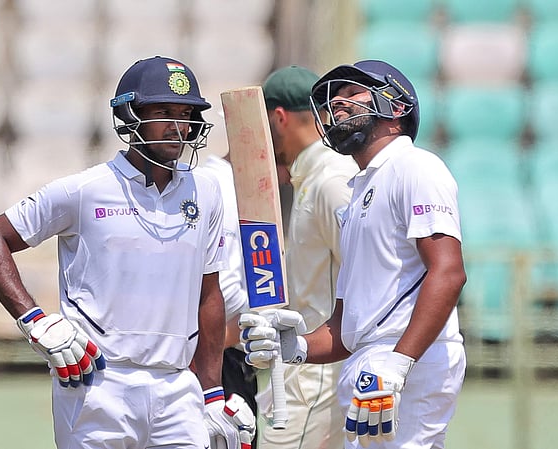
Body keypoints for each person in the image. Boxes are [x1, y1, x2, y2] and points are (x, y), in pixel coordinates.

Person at [0, 55, 246, 449]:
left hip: (177, 386)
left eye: (186, 114)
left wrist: (212, 392)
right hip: (97, 382)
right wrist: (34, 320)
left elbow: (209, 294)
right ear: (130, 116)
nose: (178, 126)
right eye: (163, 112)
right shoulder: (85, 190)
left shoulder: (207, 191)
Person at [239, 59, 467, 449]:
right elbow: (345, 328)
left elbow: (448, 272)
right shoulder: (359, 191)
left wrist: (398, 364)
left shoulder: (416, 166)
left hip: (409, 358)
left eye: (352, 93)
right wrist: (295, 346)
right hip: (368, 363)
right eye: (334, 98)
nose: (338, 103)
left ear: (396, 106)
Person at [251, 65, 358, 449]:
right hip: (310, 368)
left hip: (322, 377)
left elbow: (370, 274)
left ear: (279, 118)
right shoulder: (312, 177)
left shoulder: (331, 182)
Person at [200, 152, 258, 449]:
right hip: (215, 363)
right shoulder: (219, 186)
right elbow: (224, 293)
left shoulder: (232, 185)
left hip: (227, 360)